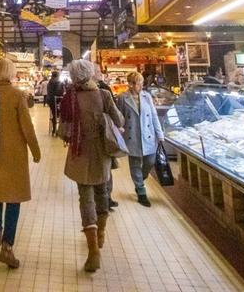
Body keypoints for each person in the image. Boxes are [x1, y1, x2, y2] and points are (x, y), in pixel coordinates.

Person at [0, 58, 41, 269]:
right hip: (13, 156)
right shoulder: (16, 95)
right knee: (13, 198)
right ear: (10, 72)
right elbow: (27, 127)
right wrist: (36, 151)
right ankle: (7, 247)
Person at [60, 60, 124, 273]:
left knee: (85, 198)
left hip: (79, 153)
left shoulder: (70, 98)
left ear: (73, 76)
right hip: (101, 152)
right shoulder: (104, 95)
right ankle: (101, 232)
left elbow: (64, 132)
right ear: (90, 74)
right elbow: (119, 120)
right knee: (102, 191)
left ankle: (93, 250)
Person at [116, 72, 165, 207]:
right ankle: (141, 191)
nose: (141, 86)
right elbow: (119, 117)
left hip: (148, 134)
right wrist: (119, 131)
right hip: (132, 136)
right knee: (135, 164)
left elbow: (154, 115)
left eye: (142, 83)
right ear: (131, 84)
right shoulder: (122, 98)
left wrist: (160, 134)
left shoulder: (147, 96)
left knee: (150, 161)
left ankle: (140, 179)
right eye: (138, 83)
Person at [94, 64, 118, 210]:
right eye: (97, 71)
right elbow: (115, 113)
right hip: (105, 134)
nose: (100, 73)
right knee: (105, 167)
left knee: (105, 167)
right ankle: (105, 200)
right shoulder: (104, 91)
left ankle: (106, 198)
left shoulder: (102, 89)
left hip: (103, 135)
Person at [46, 70, 63, 136]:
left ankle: (54, 129)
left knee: (54, 114)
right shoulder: (57, 82)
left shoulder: (49, 82)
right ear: (57, 76)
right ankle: (57, 130)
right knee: (58, 114)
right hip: (56, 101)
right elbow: (59, 93)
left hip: (50, 101)